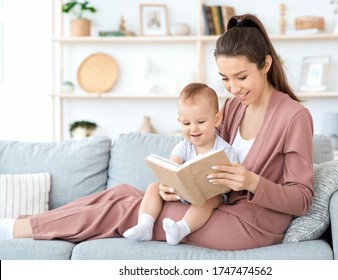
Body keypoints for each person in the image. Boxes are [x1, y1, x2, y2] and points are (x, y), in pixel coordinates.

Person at [0, 14, 314, 250]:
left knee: (127, 210)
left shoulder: (294, 117)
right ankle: (28, 221)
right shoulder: (232, 108)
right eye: (225, 79)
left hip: (251, 225)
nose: (233, 88)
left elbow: (302, 199)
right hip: (216, 206)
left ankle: (21, 228)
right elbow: (209, 159)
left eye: (241, 77)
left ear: (266, 64)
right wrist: (177, 185)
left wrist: (252, 182)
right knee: (123, 191)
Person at [123, 83, 238, 245]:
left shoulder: (225, 150)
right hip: (183, 193)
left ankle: (181, 229)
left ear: (217, 119)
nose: (193, 129)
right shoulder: (184, 145)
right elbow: (172, 166)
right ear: (179, 121)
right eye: (186, 123)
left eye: (200, 122)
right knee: (153, 187)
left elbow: (230, 184)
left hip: (210, 196)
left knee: (209, 200)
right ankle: (145, 225)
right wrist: (169, 180)